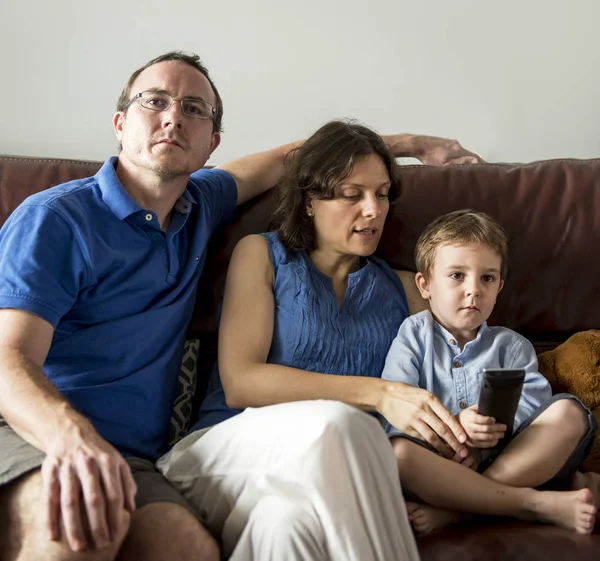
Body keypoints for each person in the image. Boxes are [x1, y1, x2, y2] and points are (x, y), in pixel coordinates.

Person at [0, 50, 482, 561]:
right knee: (82, 528)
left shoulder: (199, 207)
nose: (172, 117)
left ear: (212, 144)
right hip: (34, 432)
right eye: (155, 101)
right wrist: (74, 441)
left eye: (193, 109)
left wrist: (413, 144)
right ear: (120, 124)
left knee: (192, 550)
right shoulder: (57, 219)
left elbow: (297, 159)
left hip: (137, 457)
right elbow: (8, 362)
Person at [381, 209, 600, 536]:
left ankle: (457, 511)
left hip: (511, 458)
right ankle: (529, 503)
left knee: (569, 412)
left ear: (500, 286)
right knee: (398, 453)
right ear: (425, 285)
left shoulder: (512, 346)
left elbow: (533, 408)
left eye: (487, 278)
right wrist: (456, 429)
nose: (474, 290)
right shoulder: (413, 335)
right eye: (457, 275)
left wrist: (483, 438)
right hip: (436, 462)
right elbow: (397, 405)